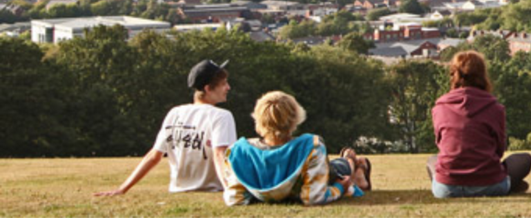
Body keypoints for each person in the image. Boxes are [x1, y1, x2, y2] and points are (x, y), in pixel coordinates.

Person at [96, 60, 238, 196]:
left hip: (178, 190)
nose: (228, 88)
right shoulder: (222, 116)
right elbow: (220, 154)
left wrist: (122, 189)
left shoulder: (175, 113)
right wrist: (229, 189)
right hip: (211, 189)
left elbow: (154, 156)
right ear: (208, 89)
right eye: (224, 84)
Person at [223, 91, 369, 206]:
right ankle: (353, 163)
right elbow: (314, 197)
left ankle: (354, 165)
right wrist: (340, 188)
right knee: (338, 167)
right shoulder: (310, 147)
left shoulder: (238, 152)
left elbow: (235, 199)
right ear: (294, 119)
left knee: (334, 166)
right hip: (325, 173)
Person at [429, 51, 531, 198]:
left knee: (432, 160)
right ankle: (509, 184)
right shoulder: (495, 108)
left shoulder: (439, 107)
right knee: (524, 159)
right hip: (491, 185)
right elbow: (499, 150)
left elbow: (441, 144)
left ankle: (446, 184)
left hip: (446, 189)